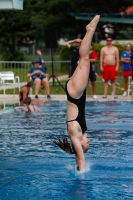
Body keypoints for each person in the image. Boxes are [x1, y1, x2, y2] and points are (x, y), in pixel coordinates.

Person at [53, 15, 100, 171]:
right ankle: (88, 34)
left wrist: (81, 173)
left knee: (85, 58)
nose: (89, 142)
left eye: (86, 146)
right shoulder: (82, 131)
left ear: (79, 145)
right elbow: (77, 154)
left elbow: (79, 157)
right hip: (77, 93)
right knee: (84, 59)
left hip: (74, 94)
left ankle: (90, 30)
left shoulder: (75, 133)